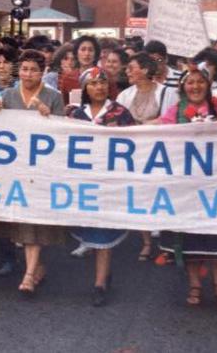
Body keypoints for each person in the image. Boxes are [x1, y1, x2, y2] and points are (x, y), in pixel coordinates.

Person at [158, 68, 217, 309]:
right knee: (191, 238)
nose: (195, 86)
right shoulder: (175, 111)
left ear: (208, 85)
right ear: (183, 87)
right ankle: (195, 284)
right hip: (186, 186)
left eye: (200, 81)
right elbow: (157, 133)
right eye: (190, 82)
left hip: (215, 184)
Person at [0, 50, 64, 295]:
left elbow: (64, 131)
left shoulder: (53, 96)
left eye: (33, 69)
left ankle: (29, 274)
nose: (28, 74)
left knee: (33, 222)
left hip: (40, 167)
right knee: (20, 222)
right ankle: (37, 267)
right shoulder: (9, 95)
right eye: (24, 69)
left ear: (42, 71)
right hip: (14, 167)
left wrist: (50, 116)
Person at [69, 67, 134, 306]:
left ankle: (99, 284)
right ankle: (104, 273)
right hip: (84, 182)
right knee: (91, 230)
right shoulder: (76, 114)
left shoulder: (120, 112)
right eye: (94, 83)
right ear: (85, 87)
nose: (99, 87)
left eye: (103, 83)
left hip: (110, 182)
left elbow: (136, 143)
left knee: (104, 231)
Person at [116, 52, 177, 262]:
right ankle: (146, 242)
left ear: (145, 69)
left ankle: (165, 240)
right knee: (140, 194)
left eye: (131, 67)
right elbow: (118, 119)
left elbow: (170, 119)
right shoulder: (125, 95)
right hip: (135, 152)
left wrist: (144, 127)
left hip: (160, 151)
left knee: (161, 194)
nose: (127, 71)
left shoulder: (167, 93)